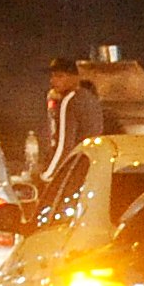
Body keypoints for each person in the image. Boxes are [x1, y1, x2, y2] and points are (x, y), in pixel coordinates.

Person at [43, 59, 106, 196]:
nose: (53, 81)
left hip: (75, 172)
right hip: (92, 169)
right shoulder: (90, 98)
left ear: (74, 78)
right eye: (52, 76)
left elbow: (64, 144)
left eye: (60, 76)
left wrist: (48, 175)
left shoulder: (70, 100)